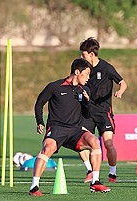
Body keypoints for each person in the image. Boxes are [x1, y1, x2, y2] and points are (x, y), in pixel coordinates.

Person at [30, 58, 110, 196]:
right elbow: (39, 103)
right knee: (48, 147)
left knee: (95, 142)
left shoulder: (85, 90)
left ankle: (95, 182)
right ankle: (34, 187)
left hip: (75, 130)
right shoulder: (55, 86)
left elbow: (86, 114)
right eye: (86, 74)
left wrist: (86, 102)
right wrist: (40, 122)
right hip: (57, 128)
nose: (88, 78)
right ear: (77, 72)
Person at [78, 37, 128, 183]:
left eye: (84, 54)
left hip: (103, 112)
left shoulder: (106, 68)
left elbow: (123, 83)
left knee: (108, 143)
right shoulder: (82, 68)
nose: (82, 57)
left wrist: (120, 91)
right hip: (86, 112)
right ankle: (89, 170)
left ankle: (112, 173)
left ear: (91, 54)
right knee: (81, 143)